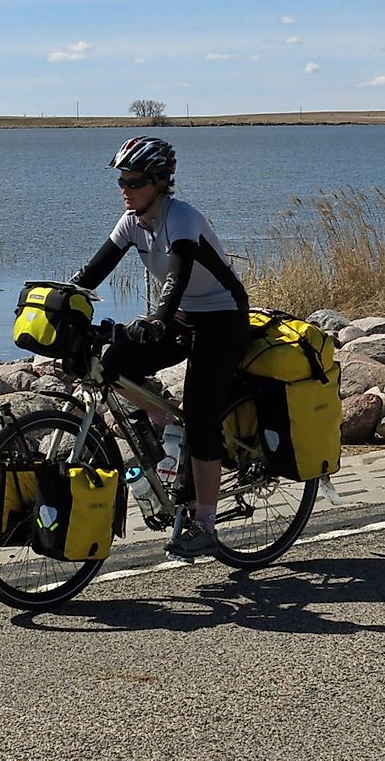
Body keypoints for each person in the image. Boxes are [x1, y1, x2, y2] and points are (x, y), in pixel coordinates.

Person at [71, 135, 249, 558]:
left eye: (133, 182)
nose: (125, 190)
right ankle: (159, 415)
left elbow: (179, 275)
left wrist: (156, 320)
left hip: (222, 316)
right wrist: (59, 299)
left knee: (202, 413)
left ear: (160, 182)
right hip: (184, 315)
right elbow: (92, 272)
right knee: (111, 362)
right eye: (122, 182)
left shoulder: (181, 217)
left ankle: (205, 523)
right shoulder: (131, 222)